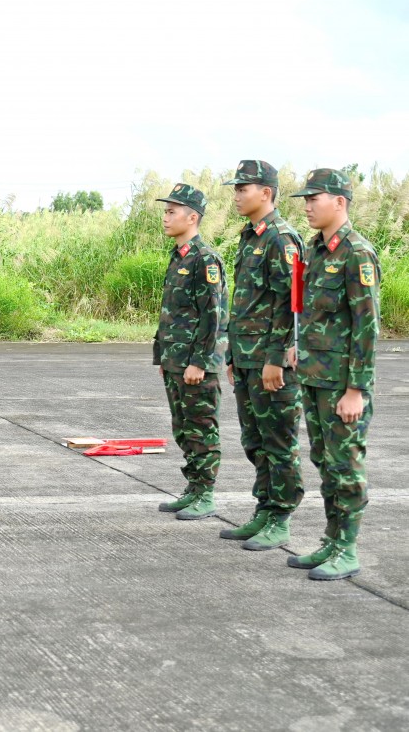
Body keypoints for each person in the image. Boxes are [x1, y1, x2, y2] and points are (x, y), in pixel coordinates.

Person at [287, 169, 380, 580]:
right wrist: (297, 346)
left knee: (346, 465)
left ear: (340, 202)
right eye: (305, 199)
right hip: (314, 375)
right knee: (324, 461)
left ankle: (348, 548)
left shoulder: (356, 253)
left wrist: (357, 389)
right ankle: (330, 538)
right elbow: (311, 311)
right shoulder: (316, 250)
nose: (307, 206)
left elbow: (367, 326)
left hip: (343, 384)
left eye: (315, 198)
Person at [219, 160, 305, 550]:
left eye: (243, 188)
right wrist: (235, 356)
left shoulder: (280, 238)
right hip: (248, 358)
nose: (237, 194)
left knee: (278, 441)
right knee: (254, 440)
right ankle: (264, 510)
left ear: (265, 193)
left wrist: (274, 357)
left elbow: (291, 303)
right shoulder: (250, 236)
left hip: (271, 362)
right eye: (235, 188)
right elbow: (248, 302)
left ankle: (281, 518)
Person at [152, 184, 228, 521]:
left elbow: (213, 316)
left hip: (196, 365)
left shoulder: (205, 259)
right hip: (175, 361)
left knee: (201, 429)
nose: (166, 217)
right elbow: (171, 312)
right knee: (183, 428)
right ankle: (193, 489)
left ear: (192, 217)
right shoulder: (178, 256)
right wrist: (163, 357)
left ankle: (206, 493)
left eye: (172, 211)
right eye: (166, 211)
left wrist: (199, 361)